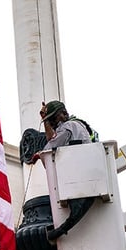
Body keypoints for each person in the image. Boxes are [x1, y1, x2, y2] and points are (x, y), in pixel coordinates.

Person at [31, 100, 99, 241]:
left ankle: (59, 231)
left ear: (62, 114)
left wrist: (40, 154)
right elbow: (53, 140)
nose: (53, 124)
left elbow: (51, 146)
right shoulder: (76, 125)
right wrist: (46, 120)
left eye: (53, 120)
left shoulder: (69, 126)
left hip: (78, 175)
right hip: (85, 174)